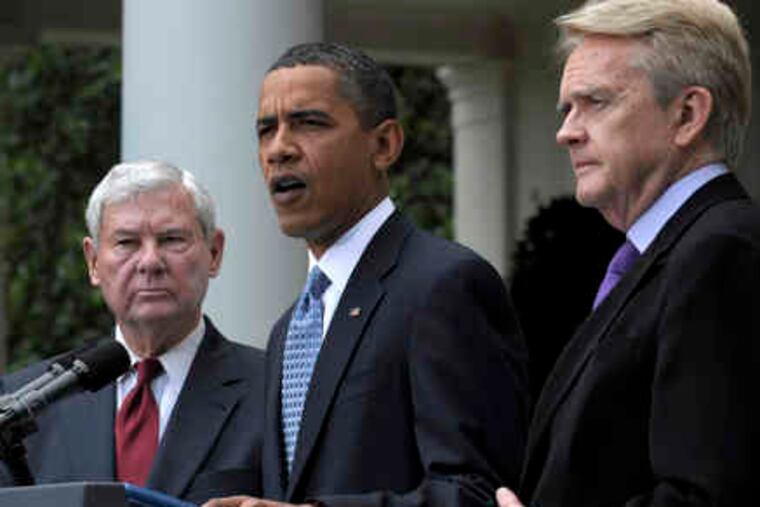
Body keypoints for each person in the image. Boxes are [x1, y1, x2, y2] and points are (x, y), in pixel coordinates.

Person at [206, 42, 528, 507]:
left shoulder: (445, 286)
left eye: (308, 123)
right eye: (265, 130)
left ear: (383, 145)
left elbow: (478, 493)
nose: (279, 149)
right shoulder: (287, 330)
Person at [496, 0, 758, 506]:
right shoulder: (664, 254)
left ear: (687, 114)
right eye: (566, 108)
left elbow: (707, 495)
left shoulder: (721, 252)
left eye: (595, 102)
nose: (566, 130)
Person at [0, 160, 265, 503]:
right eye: (126, 242)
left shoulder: (272, 388)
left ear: (214, 253)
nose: (150, 262)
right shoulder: (28, 403)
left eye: (171, 239)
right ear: (93, 261)